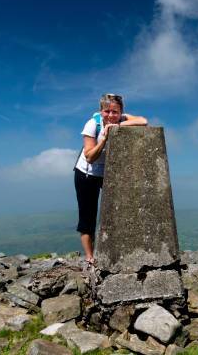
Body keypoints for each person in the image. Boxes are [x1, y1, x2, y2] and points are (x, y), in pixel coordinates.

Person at [74, 93, 147, 266]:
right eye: (107, 111)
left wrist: (118, 125)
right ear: (101, 111)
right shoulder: (93, 124)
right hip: (86, 173)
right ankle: (90, 257)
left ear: (121, 111)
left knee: (119, 209)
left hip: (108, 173)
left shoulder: (120, 118)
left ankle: (115, 249)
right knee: (88, 215)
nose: (111, 115)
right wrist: (105, 138)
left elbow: (143, 121)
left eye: (115, 111)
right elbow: (90, 156)